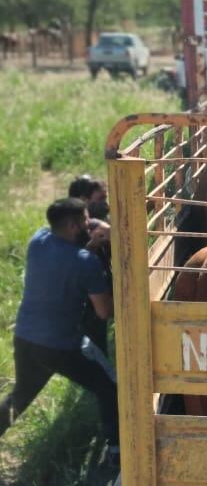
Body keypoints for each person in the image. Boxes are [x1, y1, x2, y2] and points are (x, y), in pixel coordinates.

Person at [0, 197, 119, 464]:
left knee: (20, 395)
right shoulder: (86, 262)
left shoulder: (37, 242)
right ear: (73, 225)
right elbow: (104, 312)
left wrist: (88, 245)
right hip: (63, 346)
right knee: (110, 386)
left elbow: (65, 261)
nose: (90, 223)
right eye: (86, 220)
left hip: (26, 338)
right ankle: (116, 452)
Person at [68, 175, 112, 356]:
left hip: (99, 295)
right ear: (83, 200)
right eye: (100, 199)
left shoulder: (99, 223)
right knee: (93, 349)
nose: (105, 204)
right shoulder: (70, 228)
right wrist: (92, 247)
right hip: (84, 303)